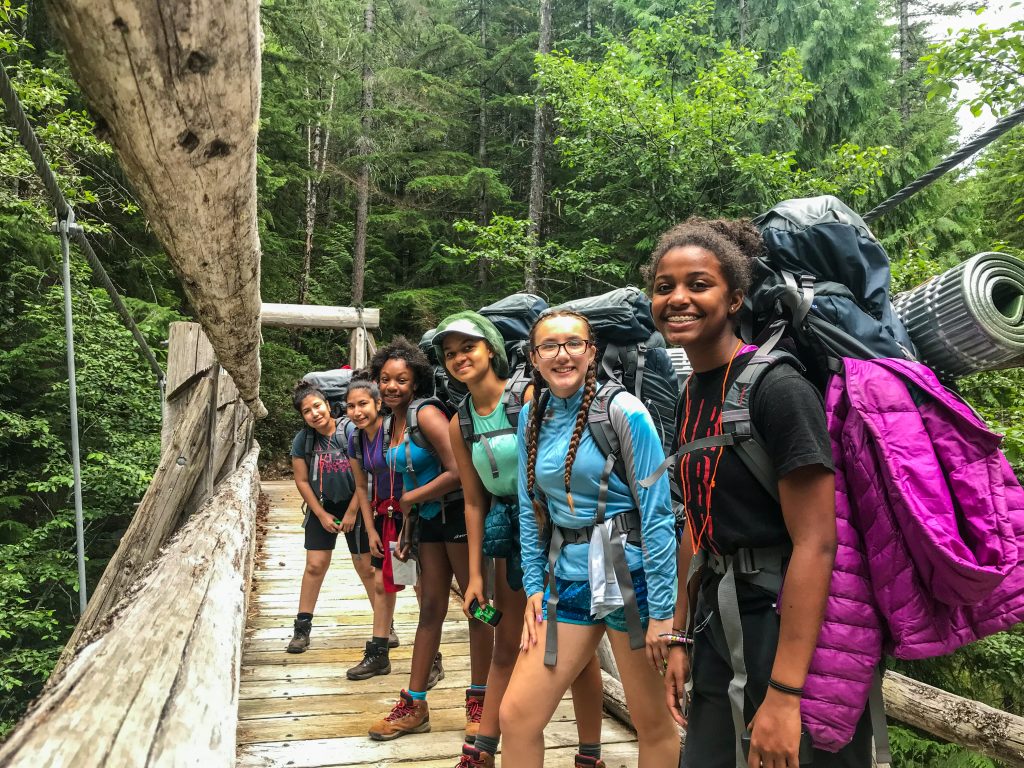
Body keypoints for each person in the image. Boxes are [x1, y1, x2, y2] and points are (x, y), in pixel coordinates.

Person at [650, 219, 872, 767]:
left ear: (735, 299)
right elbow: (696, 525)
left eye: (699, 284)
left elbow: (819, 542)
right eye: (663, 286)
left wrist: (785, 696)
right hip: (717, 620)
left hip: (786, 625)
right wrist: (679, 636)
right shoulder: (689, 394)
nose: (678, 298)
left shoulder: (778, 389)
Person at [498, 310, 681, 768]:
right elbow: (530, 508)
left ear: (591, 352)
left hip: (628, 577)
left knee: (651, 723)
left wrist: (662, 613)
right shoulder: (531, 417)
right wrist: (535, 588)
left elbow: (657, 515)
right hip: (568, 578)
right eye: (550, 346)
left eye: (573, 343)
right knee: (517, 716)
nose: (562, 355)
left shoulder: (624, 411)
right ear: (534, 358)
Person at [432, 311, 608, 768]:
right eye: (450, 354)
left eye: (467, 348)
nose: (459, 358)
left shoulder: (527, 397)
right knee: (514, 640)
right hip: (509, 536)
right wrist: (474, 577)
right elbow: (474, 502)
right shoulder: (461, 422)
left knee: (574, 652)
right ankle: (490, 748)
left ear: (490, 349)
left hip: (556, 529)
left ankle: (577, 752)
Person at [367, 338, 494, 742]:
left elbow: (458, 471)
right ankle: (414, 703)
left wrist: (410, 499)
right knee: (431, 609)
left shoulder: (427, 414)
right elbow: (408, 477)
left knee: (478, 607)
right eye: (385, 379)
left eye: (401, 380)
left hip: (459, 516)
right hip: (428, 524)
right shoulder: (391, 422)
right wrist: (407, 529)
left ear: (416, 381)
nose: (391, 386)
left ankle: (481, 701)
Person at [287, 380, 375, 653]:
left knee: (367, 567)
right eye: (307, 411)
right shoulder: (303, 440)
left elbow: (366, 477)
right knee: (315, 565)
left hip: (357, 505)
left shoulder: (351, 432)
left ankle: (386, 624)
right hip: (322, 506)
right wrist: (321, 514)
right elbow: (301, 480)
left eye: (317, 406)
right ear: (302, 416)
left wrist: (352, 512)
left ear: (327, 404)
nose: (314, 413)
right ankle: (302, 628)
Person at [343, 378, 402, 680]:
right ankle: (379, 654)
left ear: (378, 404)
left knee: (419, 586)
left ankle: (433, 657)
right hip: (383, 515)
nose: (356, 411)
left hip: (410, 515)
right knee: (381, 584)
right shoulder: (355, 438)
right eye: (351, 406)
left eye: (363, 403)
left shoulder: (396, 430)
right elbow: (361, 487)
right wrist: (371, 530)